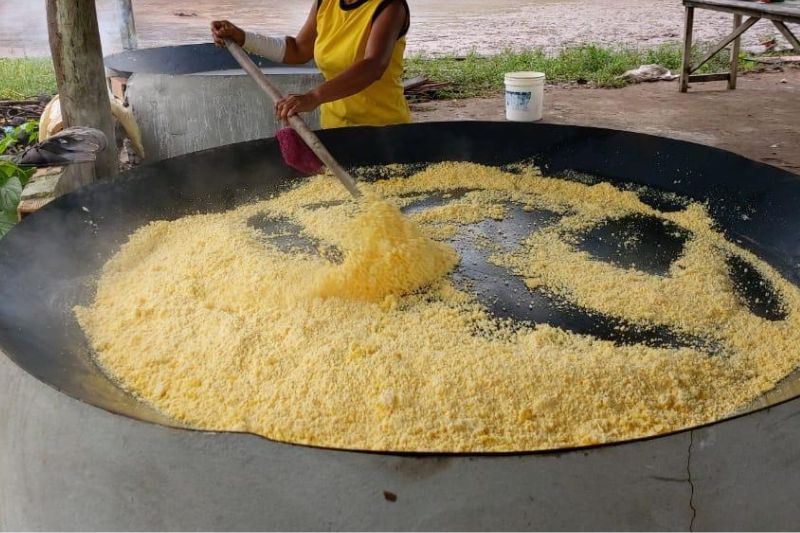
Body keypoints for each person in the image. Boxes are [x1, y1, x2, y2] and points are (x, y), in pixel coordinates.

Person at [211, 0, 411, 129]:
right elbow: (297, 50)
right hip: (336, 129)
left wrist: (313, 97)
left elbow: (373, 66)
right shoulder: (326, 3)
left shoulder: (390, 6)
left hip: (384, 129)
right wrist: (243, 38)